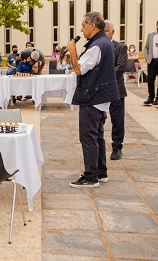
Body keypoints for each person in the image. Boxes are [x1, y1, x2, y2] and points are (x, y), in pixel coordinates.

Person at [67, 12, 120, 188]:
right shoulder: (104, 42)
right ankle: (101, 171)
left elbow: (79, 69)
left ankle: (91, 177)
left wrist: (73, 51)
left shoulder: (97, 45)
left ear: (92, 26)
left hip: (93, 97)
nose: (81, 29)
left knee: (88, 137)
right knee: (97, 136)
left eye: (83, 25)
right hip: (101, 98)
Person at [104, 20, 128, 160]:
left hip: (116, 89)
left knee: (117, 121)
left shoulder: (121, 47)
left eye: (106, 31)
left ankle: (117, 148)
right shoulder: (96, 47)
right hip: (99, 91)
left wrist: (103, 78)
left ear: (113, 32)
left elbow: (120, 67)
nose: (104, 34)